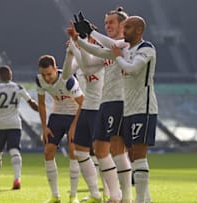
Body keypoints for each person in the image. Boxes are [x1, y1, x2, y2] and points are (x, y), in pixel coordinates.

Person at [69, 7, 133, 203]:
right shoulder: (110, 49)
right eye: (106, 23)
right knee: (99, 149)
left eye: (111, 22)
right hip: (106, 102)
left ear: (123, 25)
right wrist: (78, 41)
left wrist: (91, 33)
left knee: (117, 149)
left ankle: (126, 198)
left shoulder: (128, 44)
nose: (107, 26)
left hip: (120, 100)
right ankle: (115, 195)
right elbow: (89, 63)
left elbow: (114, 46)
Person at [111, 16, 158, 203]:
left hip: (143, 108)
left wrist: (117, 58)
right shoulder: (127, 49)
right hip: (129, 109)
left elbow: (132, 69)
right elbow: (109, 44)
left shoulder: (146, 48)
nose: (124, 30)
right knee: (132, 155)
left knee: (138, 155)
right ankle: (146, 199)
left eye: (128, 27)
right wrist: (87, 35)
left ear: (139, 30)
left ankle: (139, 200)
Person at [63, 36, 107, 203]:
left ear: (93, 41)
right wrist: (69, 54)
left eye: (84, 38)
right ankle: (95, 193)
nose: (82, 42)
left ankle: (109, 193)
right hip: (86, 109)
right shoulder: (81, 61)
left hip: (100, 108)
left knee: (102, 154)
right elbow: (66, 75)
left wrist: (75, 47)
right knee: (80, 151)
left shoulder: (102, 56)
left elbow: (88, 68)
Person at [36, 55, 84, 203]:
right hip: (57, 115)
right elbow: (42, 103)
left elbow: (82, 103)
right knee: (48, 151)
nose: (47, 78)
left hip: (74, 115)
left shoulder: (68, 81)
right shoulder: (39, 80)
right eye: (44, 74)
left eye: (49, 74)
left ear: (56, 69)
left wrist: (74, 126)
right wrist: (44, 127)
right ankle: (55, 196)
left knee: (72, 152)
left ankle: (73, 196)